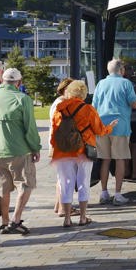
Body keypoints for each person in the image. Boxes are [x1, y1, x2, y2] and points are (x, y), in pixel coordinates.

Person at [0, 67, 41, 235]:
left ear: (2, 81)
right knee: (25, 184)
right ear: (19, 83)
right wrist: (35, 147)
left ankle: (5, 221)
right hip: (20, 150)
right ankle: (16, 219)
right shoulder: (23, 99)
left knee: (2, 188)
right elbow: (30, 128)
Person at [51, 80, 116, 227]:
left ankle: (67, 219)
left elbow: (54, 132)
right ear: (83, 93)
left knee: (65, 183)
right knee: (83, 183)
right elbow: (99, 130)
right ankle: (82, 217)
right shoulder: (88, 109)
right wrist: (110, 128)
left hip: (63, 151)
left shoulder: (59, 109)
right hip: (83, 151)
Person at [92, 58, 136, 206]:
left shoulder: (100, 84)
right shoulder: (125, 83)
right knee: (120, 159)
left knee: (105, 160)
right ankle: (118, 194)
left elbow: (93, 106)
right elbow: (135, 104)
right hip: (119, 127)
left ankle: (104, 193)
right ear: (122, 70)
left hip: (101, 127)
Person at [49, 77, 75, 217]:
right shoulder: (62, 104)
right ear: (66, 90)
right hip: (61, 145)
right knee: (65, 178)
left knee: (61, 177)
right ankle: (64, 209)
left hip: (57, 144)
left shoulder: (59, 102)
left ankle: (58, 205)